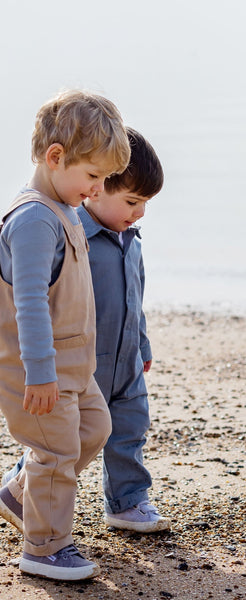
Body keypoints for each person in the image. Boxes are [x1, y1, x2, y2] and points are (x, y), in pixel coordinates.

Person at [2, 128, 171, 534]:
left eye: (145, 203)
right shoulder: (70, 233)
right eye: (132, 201)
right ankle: (24, 489)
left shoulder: (133, 239)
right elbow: (44, 300)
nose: (140, 212)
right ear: (94, 190)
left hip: (126, 357)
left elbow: (136, 297)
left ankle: (128, 500)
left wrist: (142, 341)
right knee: (68, 438)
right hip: (84, 361)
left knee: (129, 429)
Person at [0, 89, 130, 581]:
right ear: (55, 158)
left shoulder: (64, 208)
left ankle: (19, 493)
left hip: (75, 366)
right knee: (55, 453)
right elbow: (29, 303)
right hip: (40, 368)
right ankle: (44, 547)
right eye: (92, 176)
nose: (97, 190)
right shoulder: (33, 219)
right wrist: (39, 373)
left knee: (93, 430)